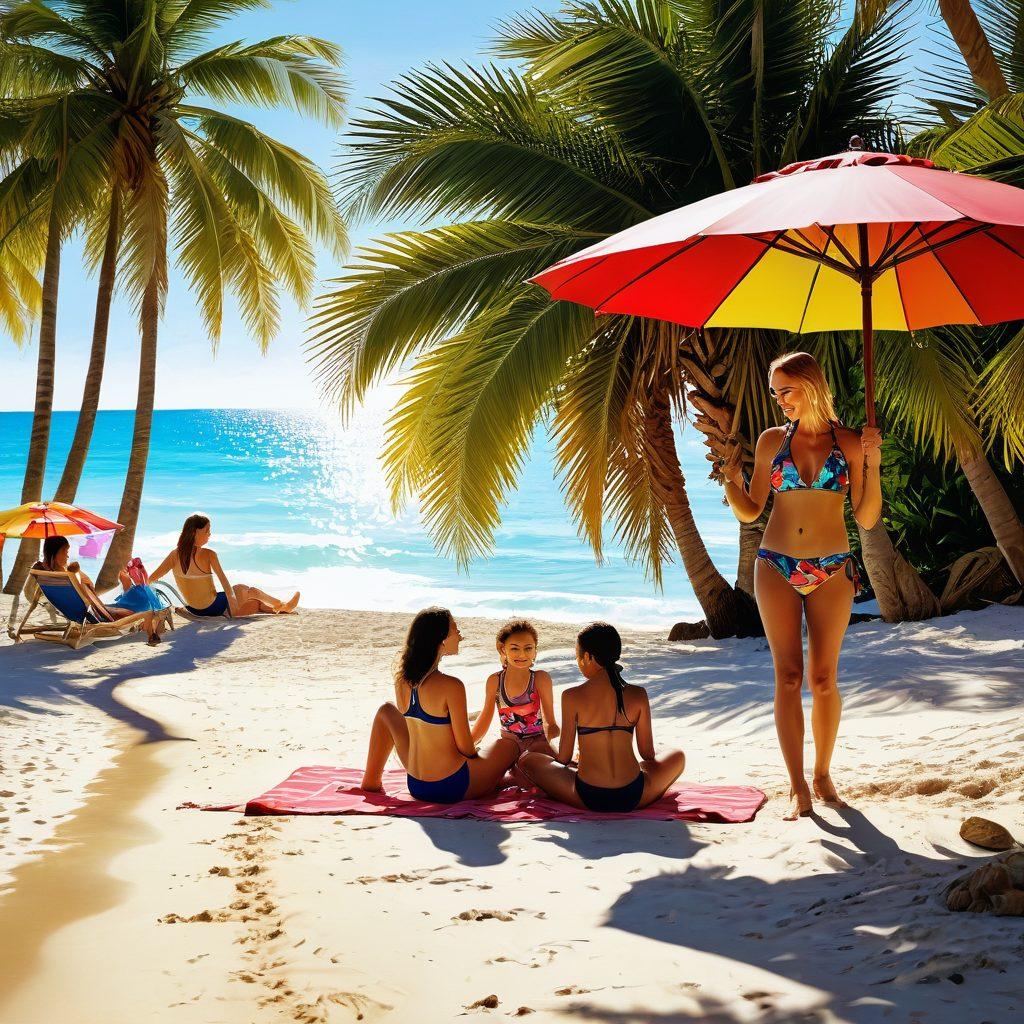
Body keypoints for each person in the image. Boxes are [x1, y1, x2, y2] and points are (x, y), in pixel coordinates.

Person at [716, 351, 882, 820]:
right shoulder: (772, 441)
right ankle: (796, 786)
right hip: (776, 565)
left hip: (832, 568)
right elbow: (751, 510)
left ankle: (823, 773)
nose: (781, 401)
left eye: (786, 391)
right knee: (788, 677)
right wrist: (730, 481)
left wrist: (872, 462)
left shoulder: (850, 442)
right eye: (776, 394)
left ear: (811, 385)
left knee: (823, 680)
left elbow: (868, 517)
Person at [518, 622, 685, 813]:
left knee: (527, 760)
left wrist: (551, 745)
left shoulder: (572, 696)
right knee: (677, 755)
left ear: (588, 657)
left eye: (578, 657)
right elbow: (647, 754)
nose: (578, 662)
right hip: (633, 794)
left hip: (588, 795)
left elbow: (563, 758)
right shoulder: (638, 694)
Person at [360, 607, 519, 803]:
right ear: (441, 639)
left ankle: (371, 780)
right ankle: (504, 780)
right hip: (453, 786)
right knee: (508, 745)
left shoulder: (402, 680)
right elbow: (466, 749)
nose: (460, 635)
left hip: (417, 785)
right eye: (455, 629)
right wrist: (478, 755)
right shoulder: (451, 686)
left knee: (386, 710)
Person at [149, 513, 299, 618]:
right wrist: (233, 607)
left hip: (194, 609)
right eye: (207, 531)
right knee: (250, 591)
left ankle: (279, 609)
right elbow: (224, 581)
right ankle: (282, 605)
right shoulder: (209, 554)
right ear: (195, 533)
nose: (209, 534)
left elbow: (151, 578)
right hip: (214, 606)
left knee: (254, 603)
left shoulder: (174, 555)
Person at [33, 536, 168, 645]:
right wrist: (76, 573)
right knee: (138, 612)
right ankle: (151, 633)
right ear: (55, 553)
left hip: (77, 612)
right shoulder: (68, 575)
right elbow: (89, 591)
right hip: (92, 613)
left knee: (130, 602)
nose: (68, 556)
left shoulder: (48, 575)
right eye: (65, 552)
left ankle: (133, 590)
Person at [469, 619, 559, 758]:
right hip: (508, 743)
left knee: (560, 767)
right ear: (503, 649)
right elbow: (485, 719)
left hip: (538, 741)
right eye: (515, 648)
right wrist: (468, 746)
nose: (522, 654)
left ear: (535, 650)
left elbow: (550, 722)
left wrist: (553, 737)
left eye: (528, 648)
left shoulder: (540, 678)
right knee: (472, 769)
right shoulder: (495, 681)